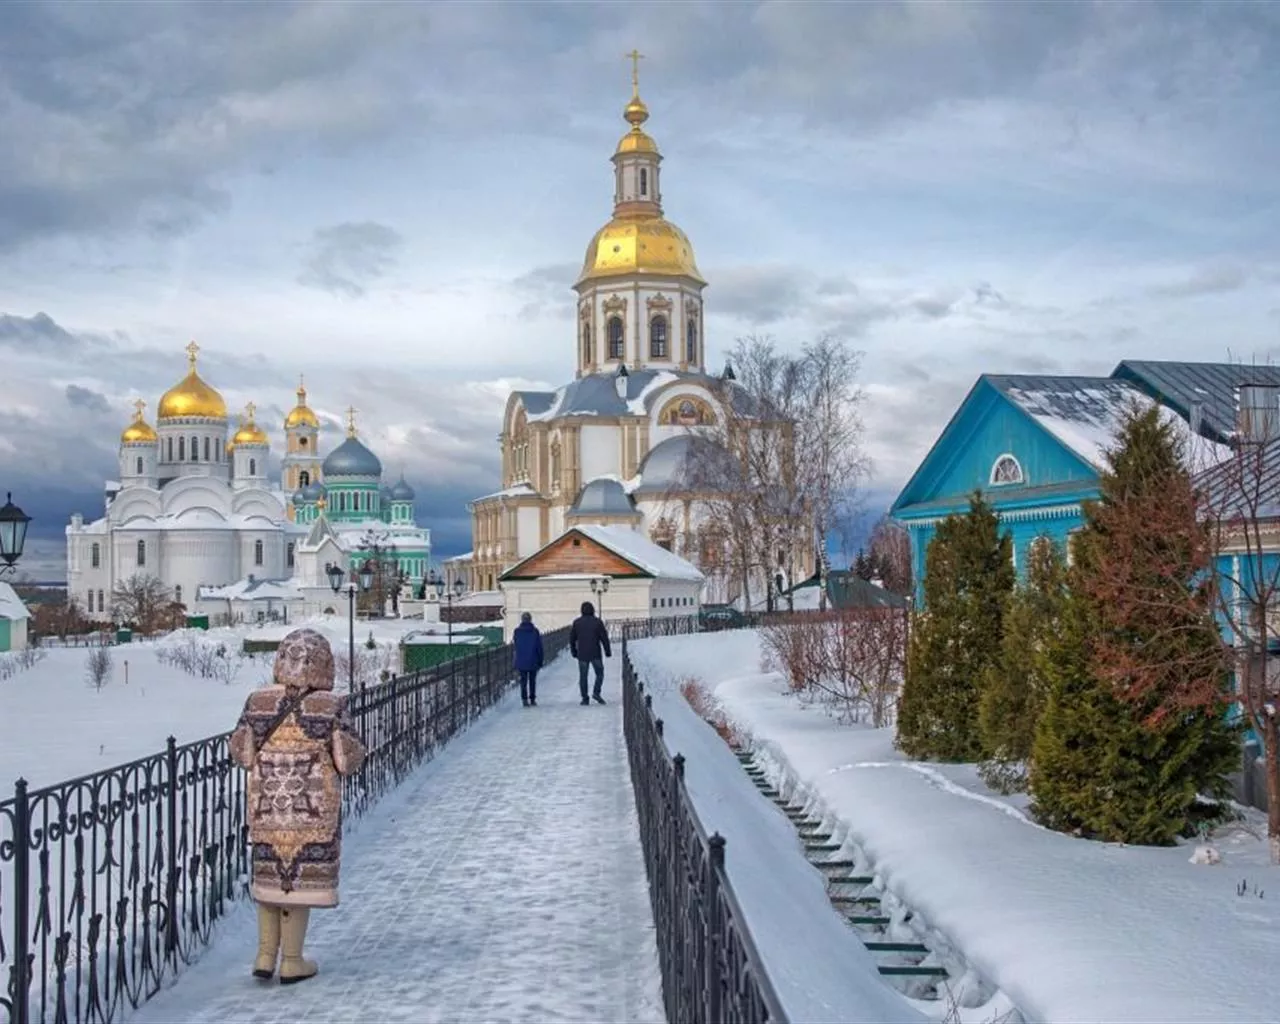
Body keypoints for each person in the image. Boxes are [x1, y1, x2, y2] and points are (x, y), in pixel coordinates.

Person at [229, 627, 367, 985]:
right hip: (311, 809)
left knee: (270, 874)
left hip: (269, 804)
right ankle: (291, 960)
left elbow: (241, 752)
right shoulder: (330, 705)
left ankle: (263, 955)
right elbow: (345, 758)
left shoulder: (257, 702)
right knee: (297, 880)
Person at [569, 600, 612, 705]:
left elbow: (572, 639)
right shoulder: (597, 622)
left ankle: (585, 698)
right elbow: (604, 638)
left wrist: (574, 651)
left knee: (583, 676)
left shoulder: (577, 622)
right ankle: (596, 692)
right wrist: (607, 651)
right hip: (595, 653)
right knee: (600, 674)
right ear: (593, 610)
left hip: (582, 653)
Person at [512, 610, 544, 706]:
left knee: (523, 681)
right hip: (533, 659)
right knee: (532, 680)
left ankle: (524, 699)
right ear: (530, 620)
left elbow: (516, 645)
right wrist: (540, 660)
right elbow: (539, 647)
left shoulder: (517, 632)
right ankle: (532, 698)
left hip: (521, 660)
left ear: (522, 620)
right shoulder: (535, 631)